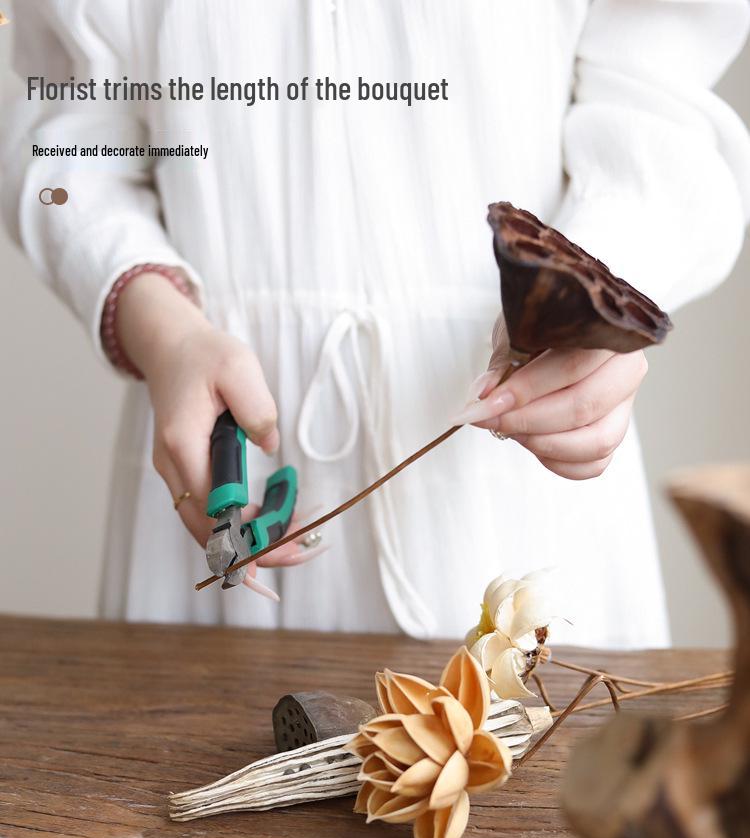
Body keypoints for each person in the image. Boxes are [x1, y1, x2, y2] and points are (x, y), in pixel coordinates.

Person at [2, 0, 749, 644]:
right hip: (217, 434)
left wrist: (587, 304)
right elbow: (67, 141)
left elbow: (657, 99)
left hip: (519, 455)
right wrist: (163, 329)